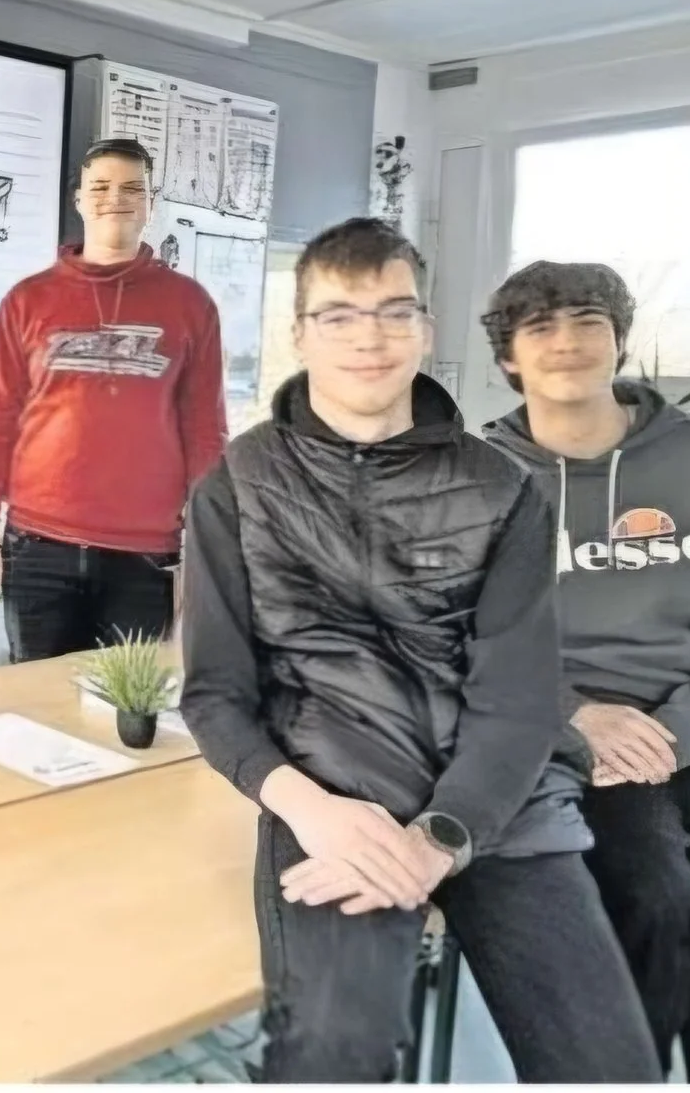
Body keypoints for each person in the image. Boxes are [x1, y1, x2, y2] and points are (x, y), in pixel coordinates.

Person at [177, 218, 658, 1083]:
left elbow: (517, 698)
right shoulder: (237, 486)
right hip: (338, 801)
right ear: (299, 335)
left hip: (499, 806)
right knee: (334, 1053)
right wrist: (312, 811)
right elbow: (215, 695)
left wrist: (441, 835)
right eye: (339, 315)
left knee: (608, 1064)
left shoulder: (500, 488)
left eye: (395, 313)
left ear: (426, 331)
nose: (369, 338)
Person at [479, 260, 690, 1081]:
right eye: (539, 328)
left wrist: (673, 735)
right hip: (555, 736)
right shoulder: (477, 481)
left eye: (587, 322)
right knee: (645, 898)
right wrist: (571, 713)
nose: (566, 343)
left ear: (619, 340)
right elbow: (451, 635)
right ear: (508, 359)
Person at [0, 138, 225, 660]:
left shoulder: (190, 305)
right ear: (79, 199)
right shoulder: (28, 300)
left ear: (150, 204)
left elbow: (204, 431)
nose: (115, 199)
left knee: (125, 717)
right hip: (37, 547)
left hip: (146, 555)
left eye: (132, 188)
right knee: (37, 715)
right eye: (100, 187)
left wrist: (207, 545)